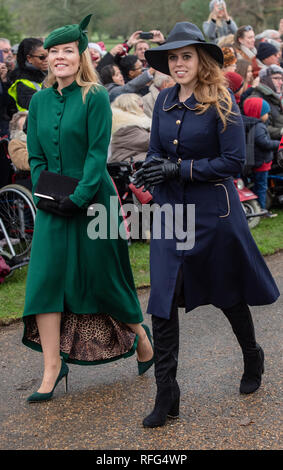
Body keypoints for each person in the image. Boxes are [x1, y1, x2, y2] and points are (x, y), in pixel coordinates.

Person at [133, 21, 280, 428]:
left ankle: (252, 354)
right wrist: (149, 171)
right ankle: (168, 394)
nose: (179, 64)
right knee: (162, 302)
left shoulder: (223, 99)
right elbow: (156, 152)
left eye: (186, 56)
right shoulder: (162, 102)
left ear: (202, 60)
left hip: (213, 214)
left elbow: (234, 162)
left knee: (228, 294)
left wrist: (177, 168)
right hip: (169, 214)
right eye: (173, 58)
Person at [22, 15, 153, 403]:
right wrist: (47, 196)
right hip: (51, 205)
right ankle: (51, 366)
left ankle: (142, 338)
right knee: (45, 281)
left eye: (68, 51)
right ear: (46, 59)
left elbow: (98, 156)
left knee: (104, 280)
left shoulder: (94, 96)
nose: (60, 57)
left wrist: (77, 198)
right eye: (53, 52)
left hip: (95, 202)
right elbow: (36, 156)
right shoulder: (40, 100)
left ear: (81, 57)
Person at [242, 97, 280, 216]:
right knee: (262, 187)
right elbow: (263, 142)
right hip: (262, 163)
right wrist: (278, 144)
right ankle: (262, 210)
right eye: (266, 113)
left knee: (259, 186)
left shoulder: (253, 125)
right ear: (258, 114)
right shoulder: (259, 126)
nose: (268, 115)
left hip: (258, 161)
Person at [109, 93, 151, 163]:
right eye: (140, 106)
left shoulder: (129, 124)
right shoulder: (125, 127)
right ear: (130, 108)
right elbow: (148, 142)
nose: (143, 108)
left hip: (134, 161)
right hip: (126, 166)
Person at [8, 38, 48, 112]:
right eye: (42, 57)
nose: (47, 60)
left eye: (48, 55)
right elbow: (40, 107)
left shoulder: (46, 74)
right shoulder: (21, 83)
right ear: (29, 58)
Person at [246, 65, 283, 140]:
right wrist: (280, 131)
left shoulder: (277, 96)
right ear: (265, 79)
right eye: (276, 78)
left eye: (281, 79)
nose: (281, 82)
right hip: (272, 146)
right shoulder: (256, 98)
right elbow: (260, 127)